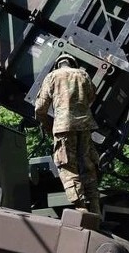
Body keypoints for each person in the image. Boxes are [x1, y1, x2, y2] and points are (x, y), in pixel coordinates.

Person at [34, 53, 100, 214]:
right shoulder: (83, 75)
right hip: (84, 125)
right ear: (72, 63)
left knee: (67, 165)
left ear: (58, 64)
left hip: (63, 127)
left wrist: (49, 126)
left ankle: (81, 206)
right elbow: (92, 96)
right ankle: (95, 205)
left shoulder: (52, 77)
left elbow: (40, 108)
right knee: (88, 164)